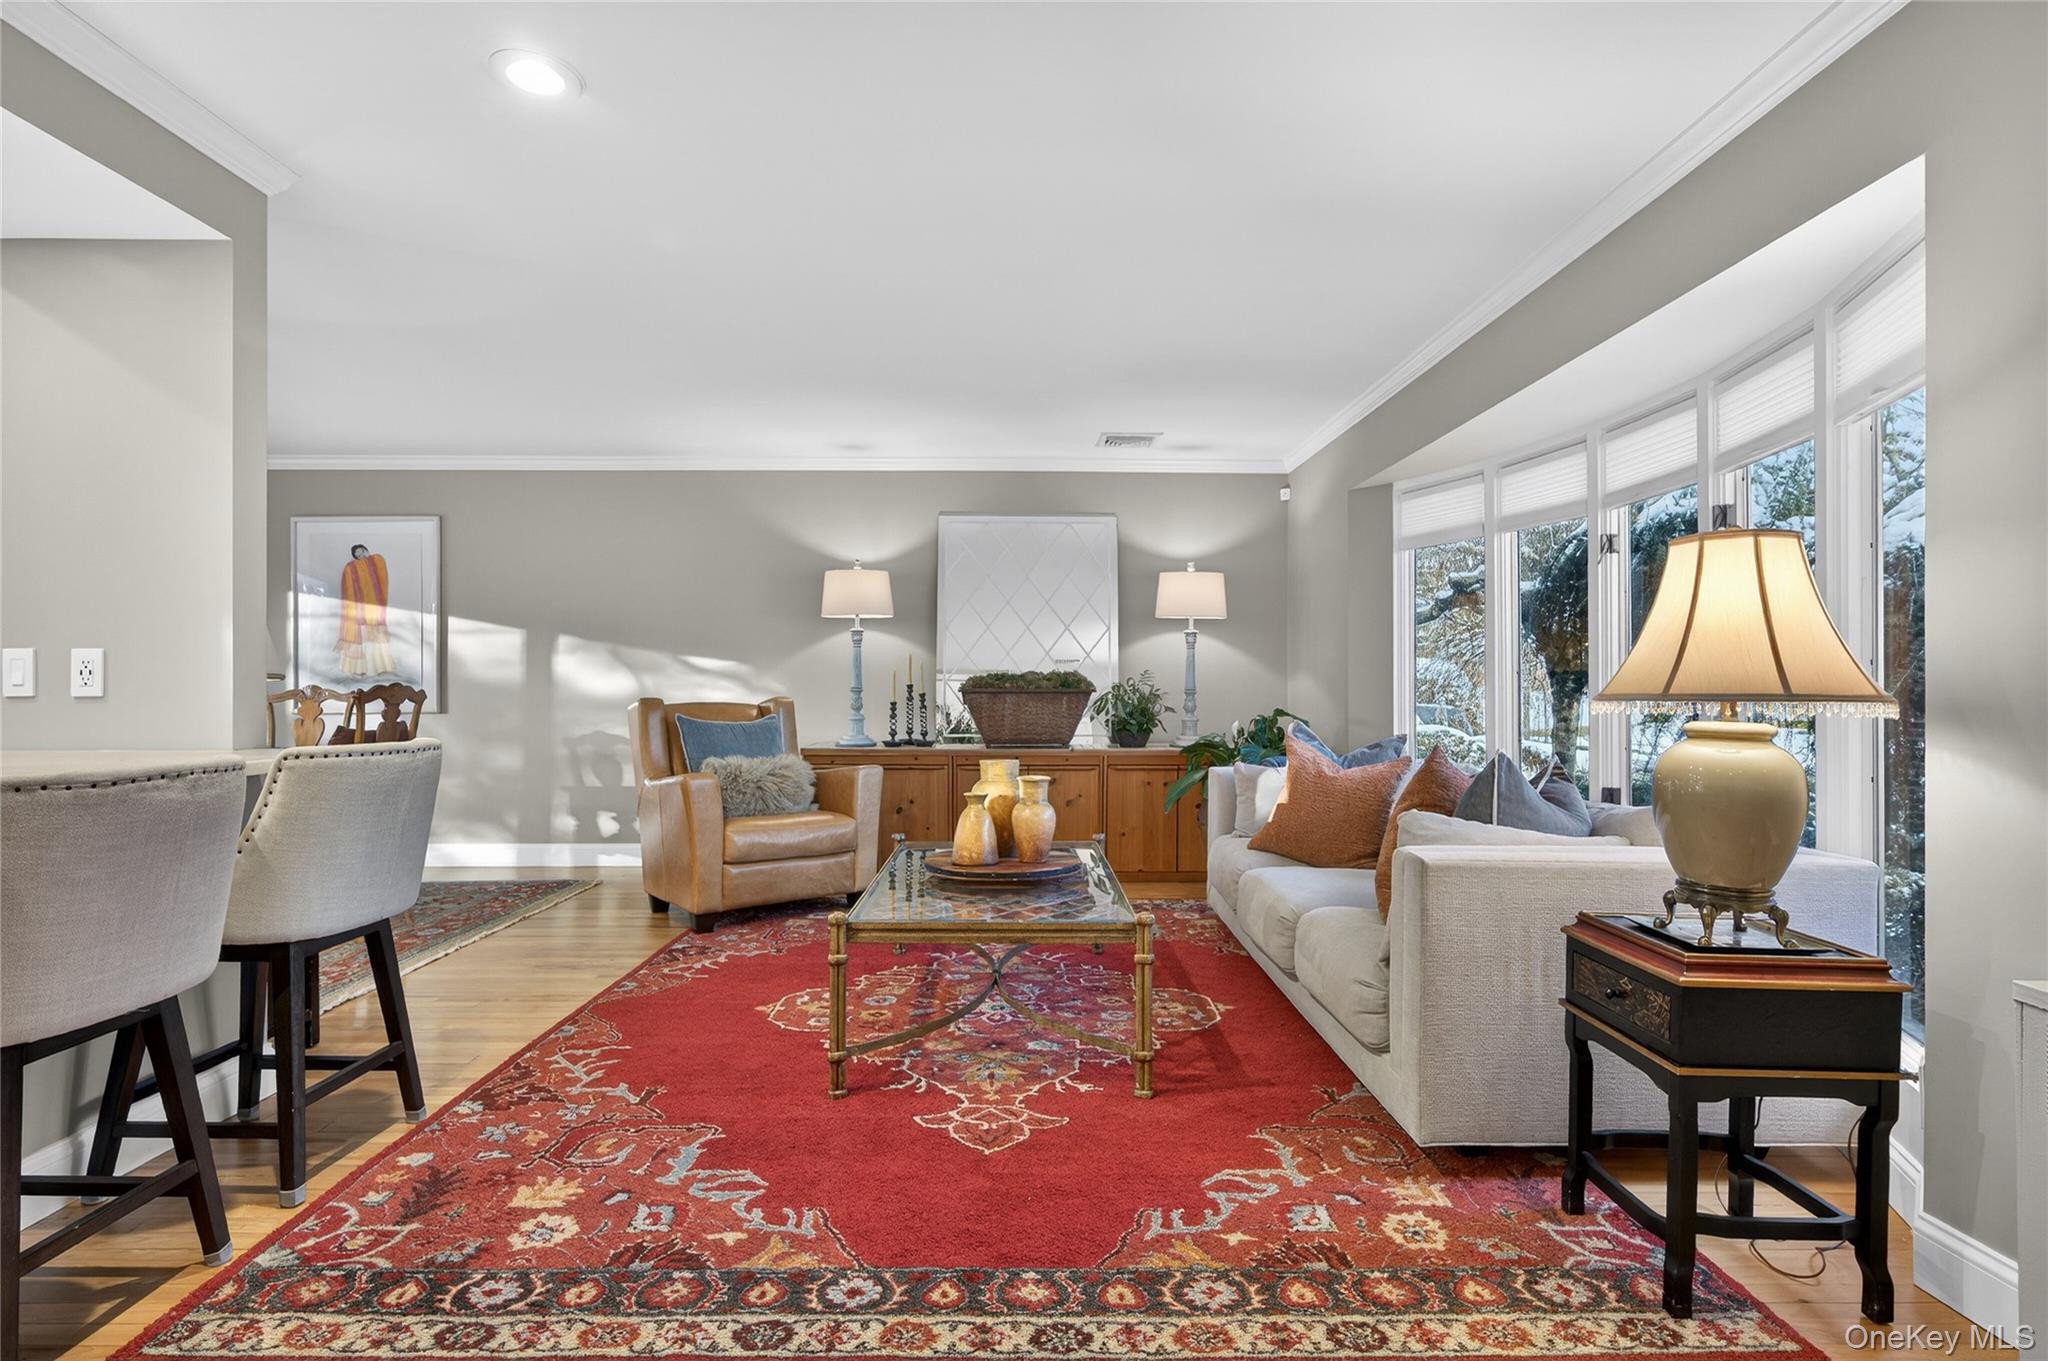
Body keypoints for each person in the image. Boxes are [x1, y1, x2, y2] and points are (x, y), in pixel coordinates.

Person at [336, 543, 394, 677]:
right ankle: (358, 669)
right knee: (362, 637)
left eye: (362, 551)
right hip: (360, 609)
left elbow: (381, 576)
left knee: (375, 639)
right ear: (355, 558)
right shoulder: (353, 568)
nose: (361, 555)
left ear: (366, 550)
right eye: (358, 555)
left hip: (374, 608)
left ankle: (379, 667)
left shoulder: (377, 561)